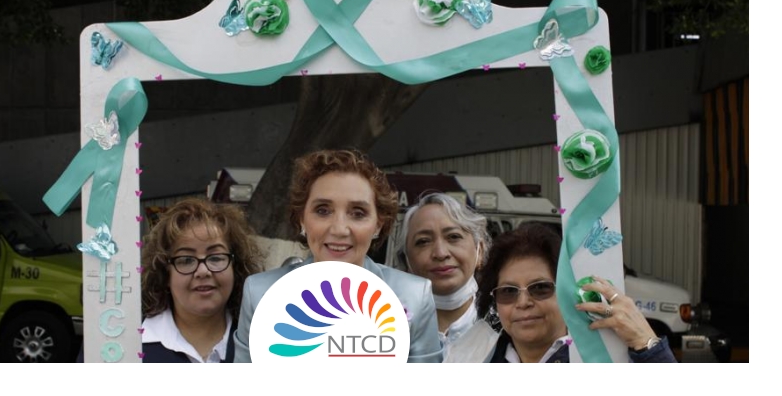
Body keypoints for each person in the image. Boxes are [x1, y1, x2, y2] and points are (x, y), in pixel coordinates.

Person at [233, 149, 443, 362]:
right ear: (302, 219)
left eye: (358, 213)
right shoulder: (260, 293)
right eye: (323, 211)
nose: (339, 229)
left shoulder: (414, 296)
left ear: (379, 224)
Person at [448, 223, 675, 363]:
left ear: (567, 292)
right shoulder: (474, 359)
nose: (523, 302)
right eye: (508, 291)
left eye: (540, 288)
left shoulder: (608, 356)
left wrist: (647, 344)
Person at [138, 198, 263, 362]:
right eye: (186, 260)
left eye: (216, 258)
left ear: (236, 267)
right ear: (165, 273)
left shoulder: (263, 340)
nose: (203, 272)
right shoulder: (130, 343)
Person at [400, 192, 491, 356]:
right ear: (406, 260)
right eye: (423, 241)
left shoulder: (504, 328)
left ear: (480, 251)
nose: (441, 253)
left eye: (453, 237)